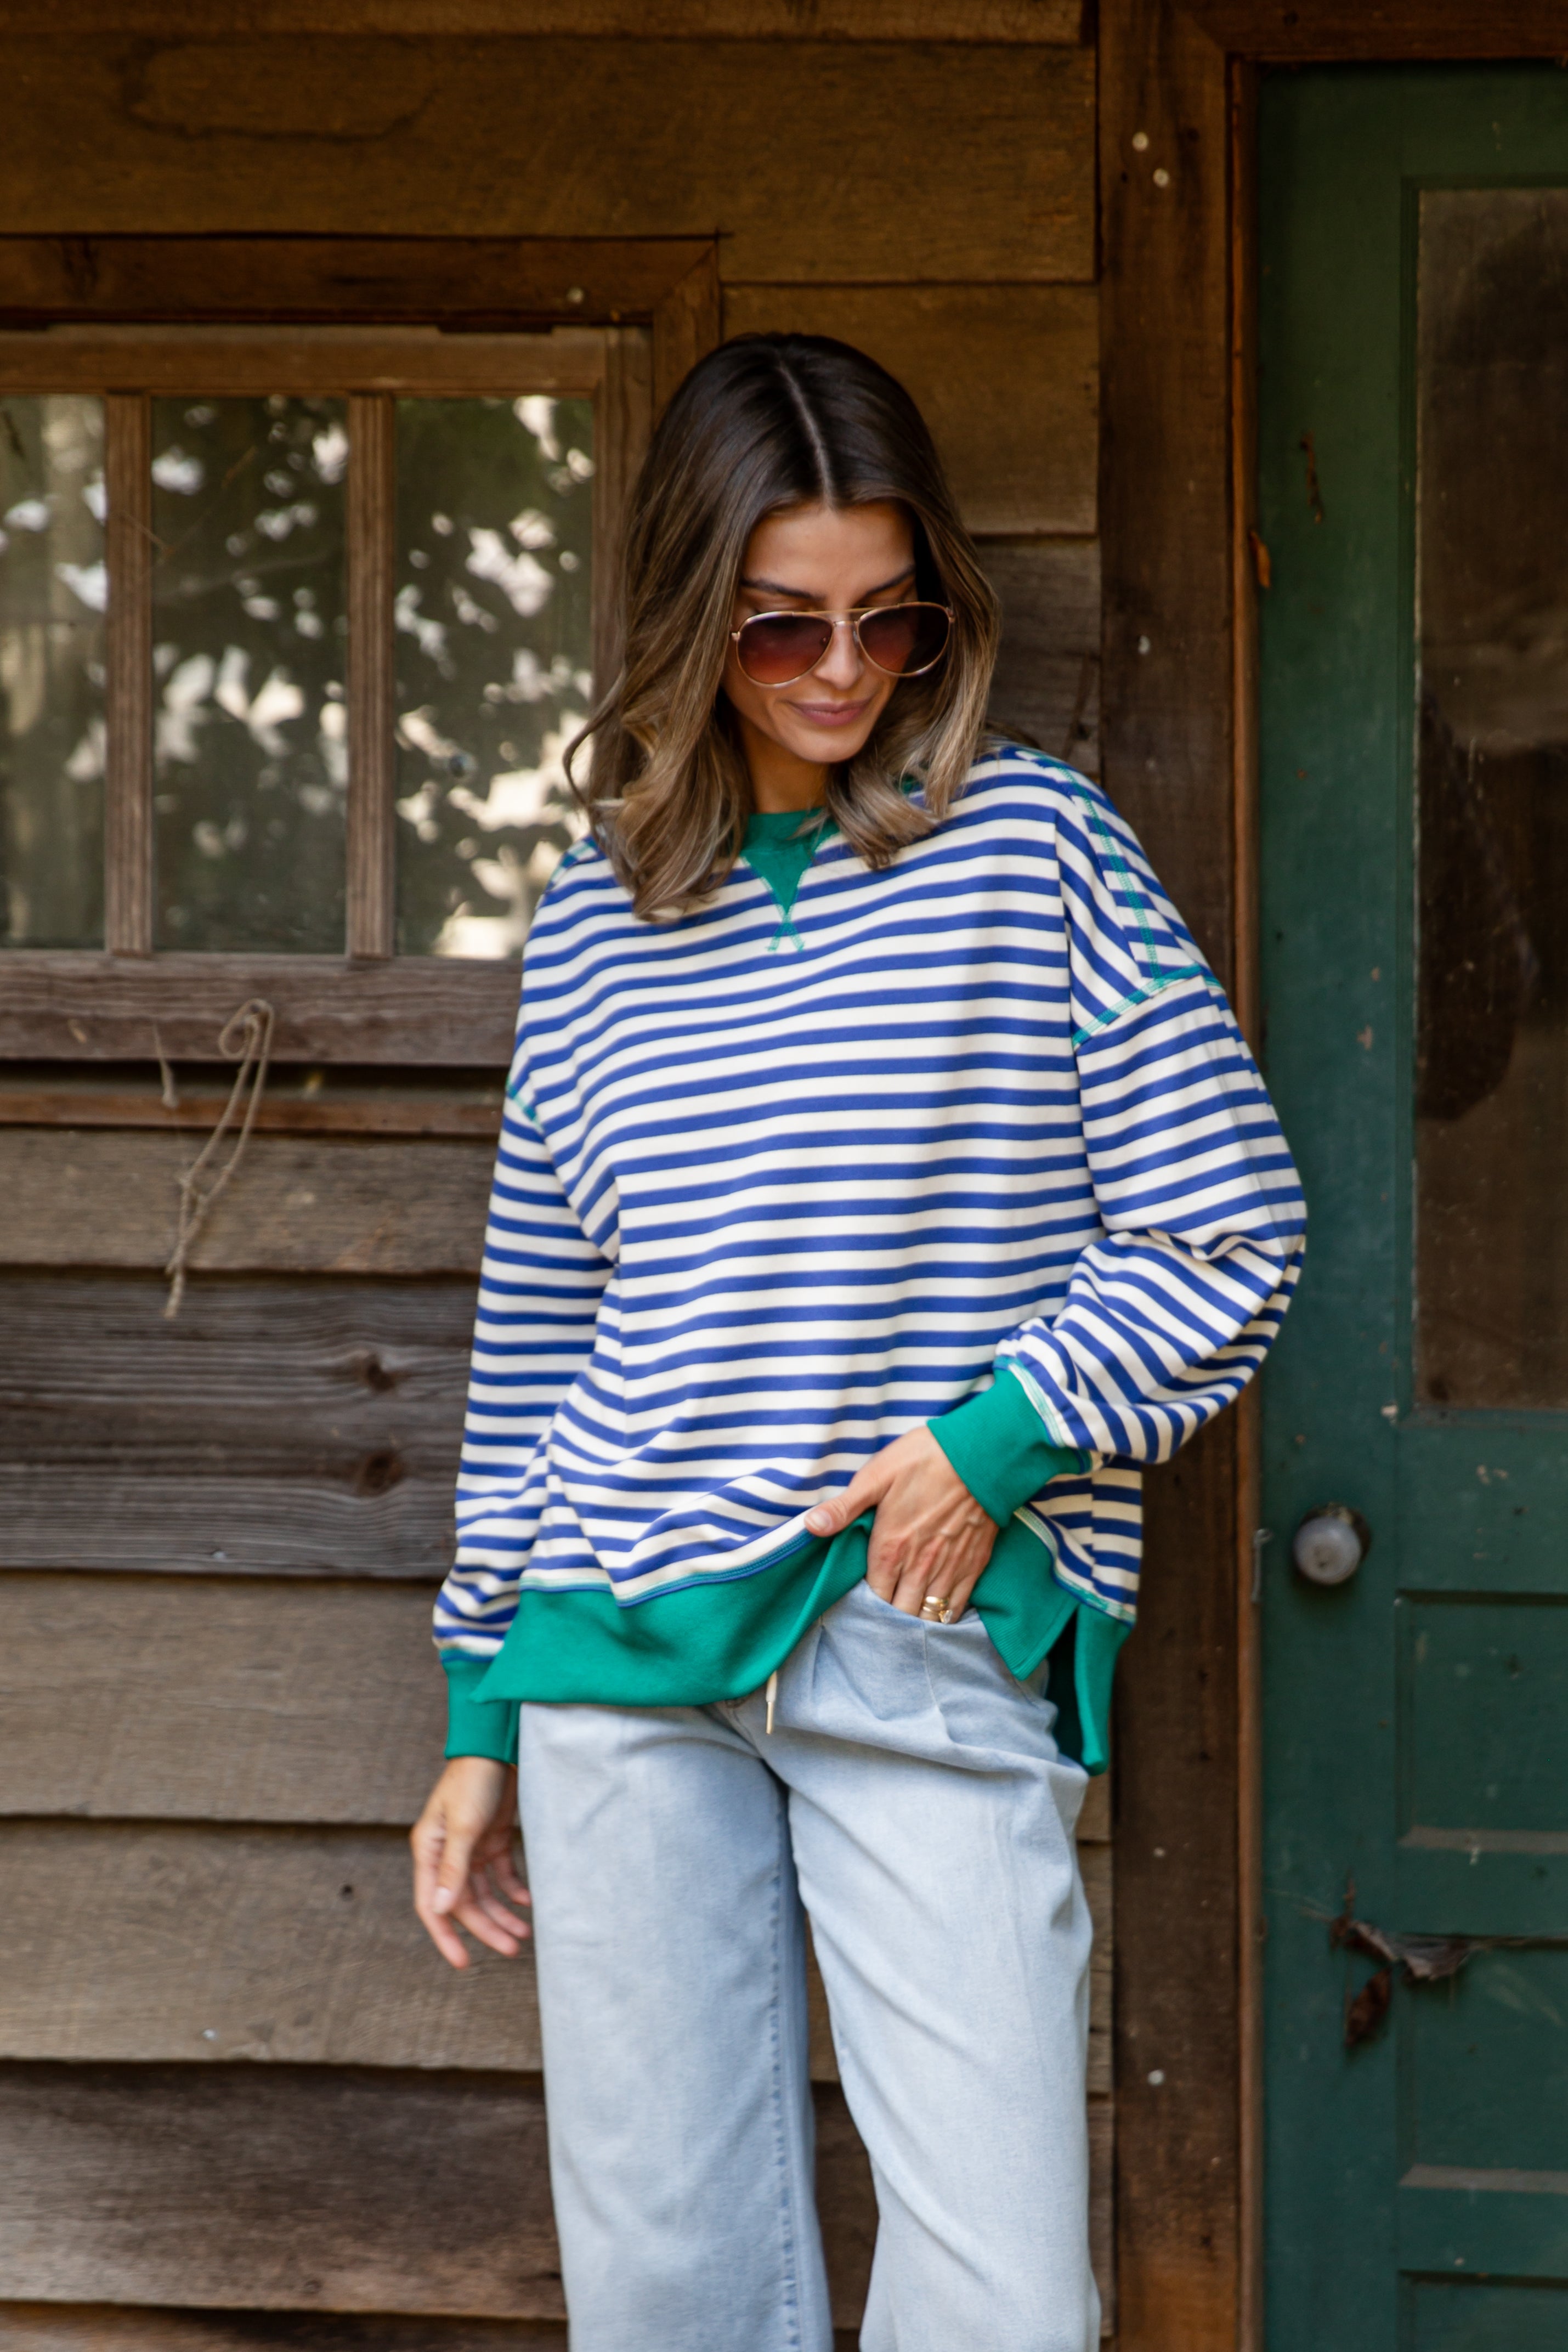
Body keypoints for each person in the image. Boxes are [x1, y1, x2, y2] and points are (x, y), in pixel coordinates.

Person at [410, 333, 1304, 2352]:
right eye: (779, 626)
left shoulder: (1033, 850)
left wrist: (994, 1444)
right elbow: (542, 1344)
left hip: (922, 1630)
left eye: (887, 619)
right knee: (669, 2299)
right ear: (680, 619)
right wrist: (478, 1710)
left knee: (999, 2300)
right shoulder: (594, 918)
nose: (842, 671)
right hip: (614, 1664)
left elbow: (1230, 1226)